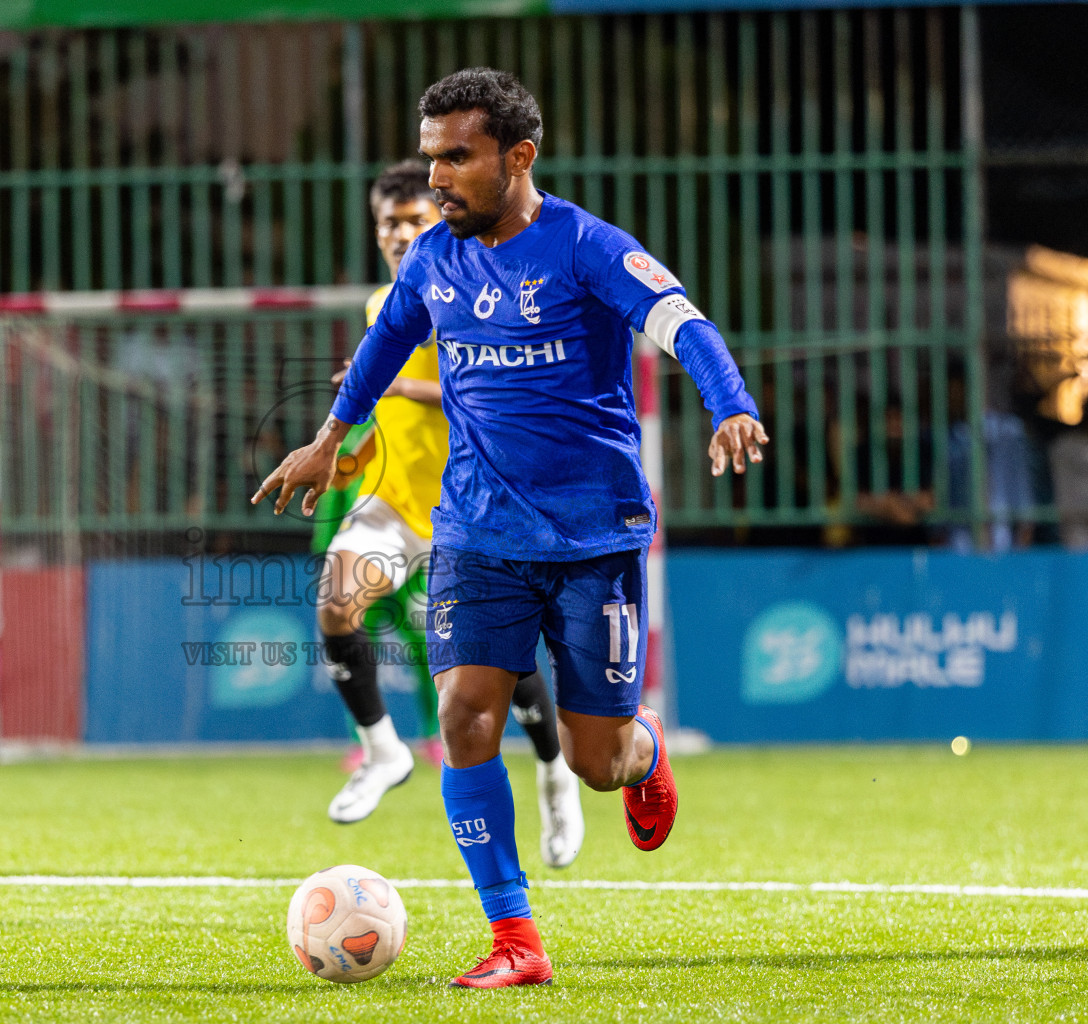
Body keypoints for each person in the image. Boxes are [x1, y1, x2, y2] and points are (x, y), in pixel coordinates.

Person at [253, 69, 767, 988]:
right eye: (430, 158)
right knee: (465, 718)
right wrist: (329, 439)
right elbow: (376, 354)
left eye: (457, 157)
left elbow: (684, 323)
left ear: (518, 156)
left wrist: (729, 402)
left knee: (594, 759)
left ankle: (639, 745)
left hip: (592, 536)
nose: (436, 179)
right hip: (476, 532)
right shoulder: (434, 260)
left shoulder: (585, 248)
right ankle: (515, 938)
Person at [316, 160, 586, 871]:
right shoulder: (384, 306)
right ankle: (382, 753)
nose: (401, 233)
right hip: (402, 502)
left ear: (439, 222)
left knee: (504, 670)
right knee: (336, 601)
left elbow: (486, 395)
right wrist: (358, 451)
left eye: (414, 220)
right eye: (388, 223)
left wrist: (398, 383)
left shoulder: (474, 293)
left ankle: (557, 774)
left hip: (478, 509)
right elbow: (396, 418)